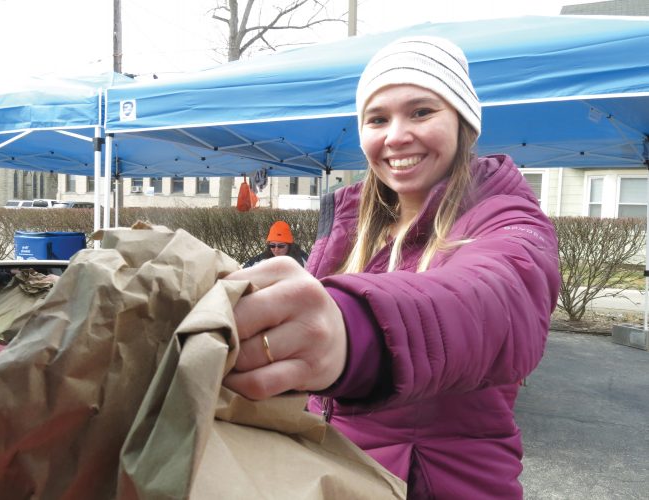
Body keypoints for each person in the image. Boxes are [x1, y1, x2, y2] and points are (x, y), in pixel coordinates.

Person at [223, 36, 560, 499]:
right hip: (338, 478)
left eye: (421, 112)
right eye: (377, 119)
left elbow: (496, 297)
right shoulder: (351, 225)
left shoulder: (505, 216)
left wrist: (353, 331)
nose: (396, 136)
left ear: (463, 122)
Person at [243, 220, 309, 268]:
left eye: (281, 246)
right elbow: (246, 268)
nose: (276, 249)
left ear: (289, 246)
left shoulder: (301, 259)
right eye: (272, 245)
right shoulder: (264, 257)